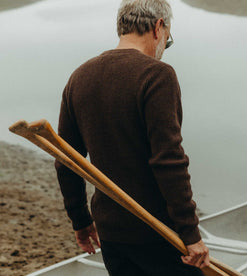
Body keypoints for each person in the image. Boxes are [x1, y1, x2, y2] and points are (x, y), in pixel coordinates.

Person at [55, 0, 210, 275]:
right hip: (159, 231)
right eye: (168, 40)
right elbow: (169, 160)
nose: (164, 49)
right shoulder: (157, 75)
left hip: (111, 232)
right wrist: (190, 233)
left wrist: (80, 220)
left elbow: (66, 160)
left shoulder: (79, 77)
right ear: (158, 27)